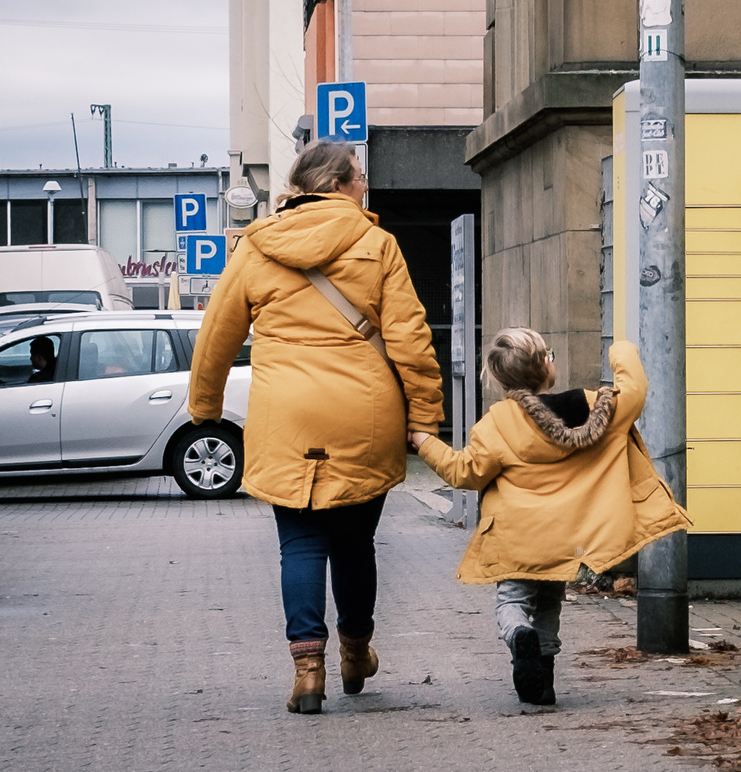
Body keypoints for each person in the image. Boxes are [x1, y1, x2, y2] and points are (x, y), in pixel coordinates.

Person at [189, 141, 443, 714]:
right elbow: (410, 339)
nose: (364, 184)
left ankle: (308, 671)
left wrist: (204, 408)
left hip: (287, 414)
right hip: (364, 412)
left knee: (300, 544)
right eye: (359, 176)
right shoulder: (377, 245)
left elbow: (216, 338)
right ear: (338, 183)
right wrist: (424, 417)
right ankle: (356, 652)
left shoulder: (256, 247)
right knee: (355, 544)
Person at [409, 329, 686, 705]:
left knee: (512, 602)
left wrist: (424, 441)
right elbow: (634, 391)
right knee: (550, 602)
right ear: (545, 366)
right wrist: (620, 348)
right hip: (565, 539)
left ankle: (518, 635)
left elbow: (465, 472)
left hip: (516, 538)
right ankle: (543, 682)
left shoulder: (497, 423)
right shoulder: (593, 407)